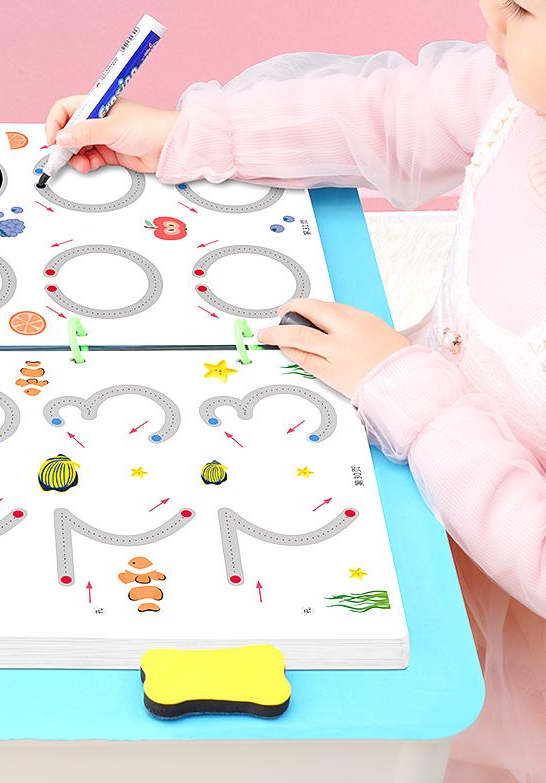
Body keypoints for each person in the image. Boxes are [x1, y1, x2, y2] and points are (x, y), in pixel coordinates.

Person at [44, 2, 546, 780]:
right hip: (407, 492)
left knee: (452, 748)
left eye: (520, 10)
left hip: (513, 616)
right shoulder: (514, 96)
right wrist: (191, 135)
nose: (489, 21)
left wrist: (412, 390)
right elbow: (389, 114)